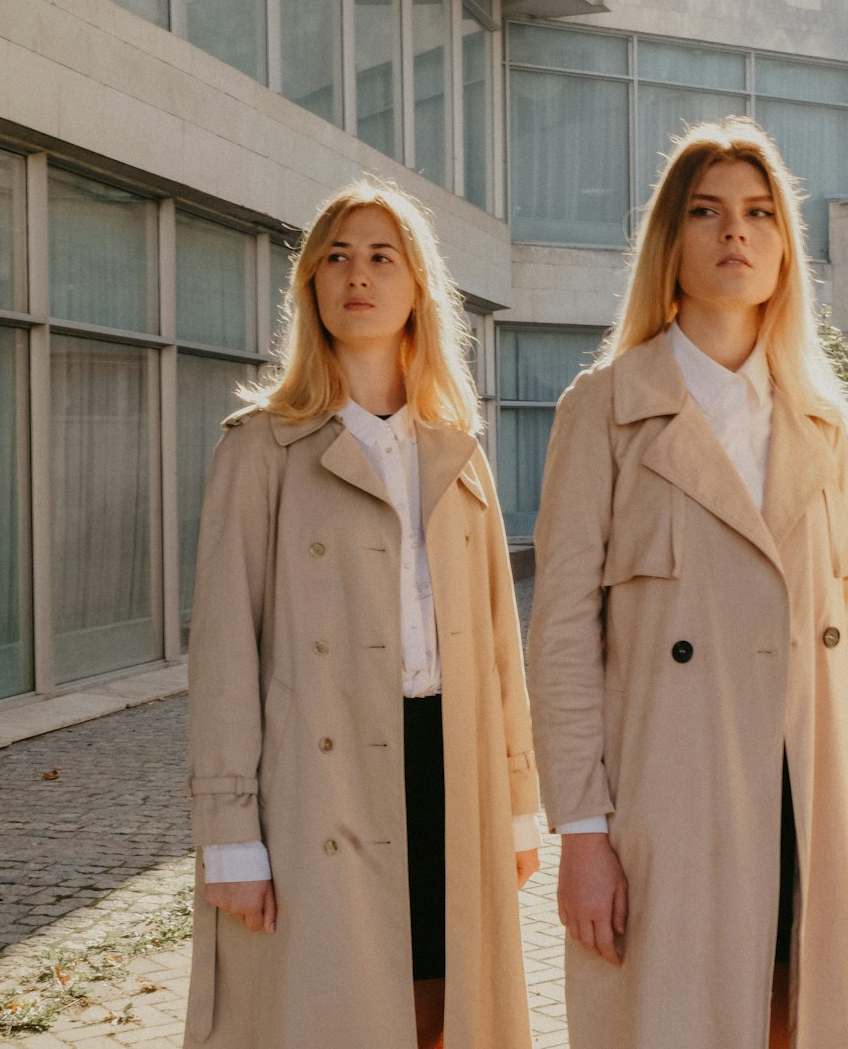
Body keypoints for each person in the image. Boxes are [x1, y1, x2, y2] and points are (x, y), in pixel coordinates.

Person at [526, 116, 848, 1049]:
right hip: (667, 806)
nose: (737, 232)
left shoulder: (821, 425)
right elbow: (562, 635)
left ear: (784, 247)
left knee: (793, 1023)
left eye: (761, 213)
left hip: (803, 798)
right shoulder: (604, 409)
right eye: (709, 211)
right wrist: (582, 832)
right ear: (670, 242)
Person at [183, 180, 541, 1049]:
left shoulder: (458, 451)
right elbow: (226, 652)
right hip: (321, 786)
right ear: (309, 284)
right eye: (337, 256)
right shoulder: (260, 447)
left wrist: (521, 801)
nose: (358, 275)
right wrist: (230, 832)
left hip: (450, 770)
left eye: (383, 257)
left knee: (444, 1015)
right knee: (331, 1016)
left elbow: (500, 648)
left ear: (418, 286)